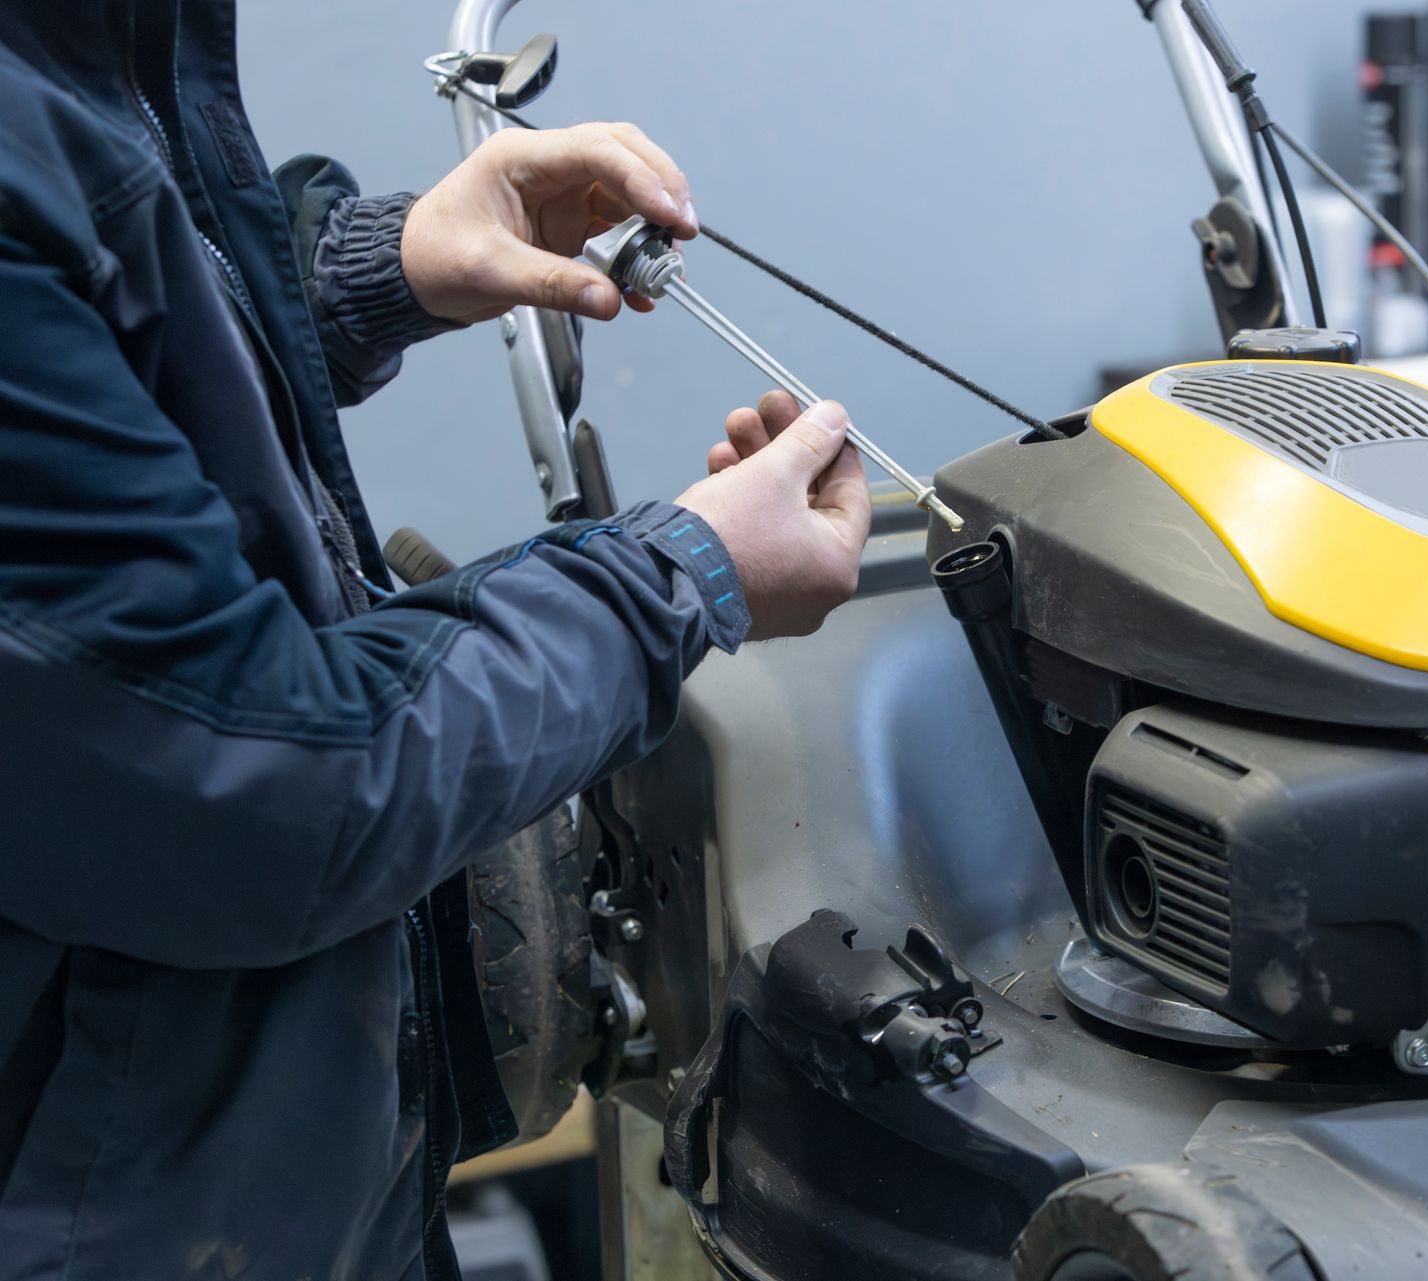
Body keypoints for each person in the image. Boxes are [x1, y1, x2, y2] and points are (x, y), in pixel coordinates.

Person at [0, 4, 871, 1278]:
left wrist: (378, 271)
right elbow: (276, 788)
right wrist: (679, 578)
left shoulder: (87, 45)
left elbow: (99, 384)